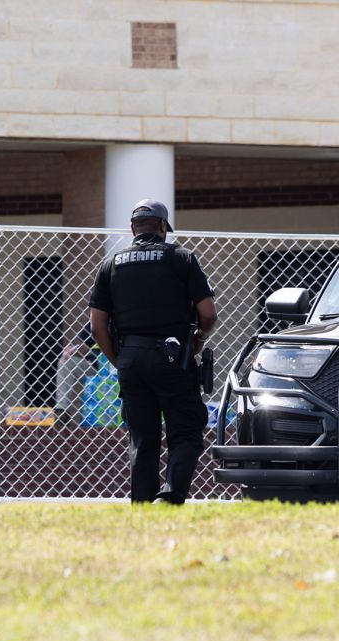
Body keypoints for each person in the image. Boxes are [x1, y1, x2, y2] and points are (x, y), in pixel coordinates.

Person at [88, 199, 218, 505]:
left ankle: (143, 504)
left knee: (142, 437)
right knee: (185, 431)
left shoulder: (110, 264)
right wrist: (199, 338)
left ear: (133, 228)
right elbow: (208, 313)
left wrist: (119, 362)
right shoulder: (182, 258)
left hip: (131, 358)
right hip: (173, 357)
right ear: (162, 227)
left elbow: (97, 326)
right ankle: (170, 497)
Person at [53, 322, 99, 424]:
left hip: (121, 367)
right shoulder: (98, 317)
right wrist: (72, 351)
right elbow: (84, 346)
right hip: (97, 369)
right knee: (66, 362)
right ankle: (62, 410)